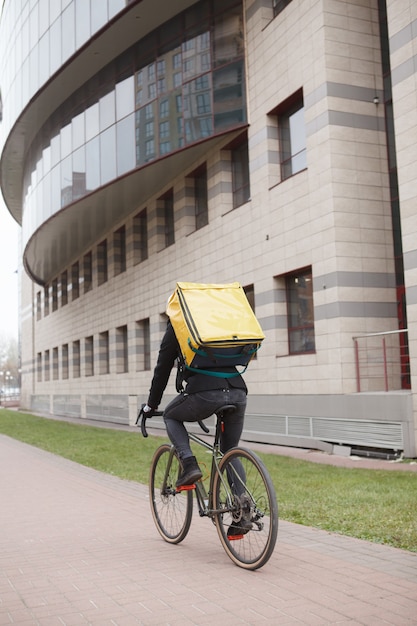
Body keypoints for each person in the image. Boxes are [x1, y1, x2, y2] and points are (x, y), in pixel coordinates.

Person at [143, 318, 248, 489]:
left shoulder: (180, 322)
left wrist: (152, 404)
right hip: (238, 390)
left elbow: (163, 366)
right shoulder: (218, 317)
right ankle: (242, 506)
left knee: (170, 415)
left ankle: (189, 464)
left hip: (204, 392)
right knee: (230, 452)